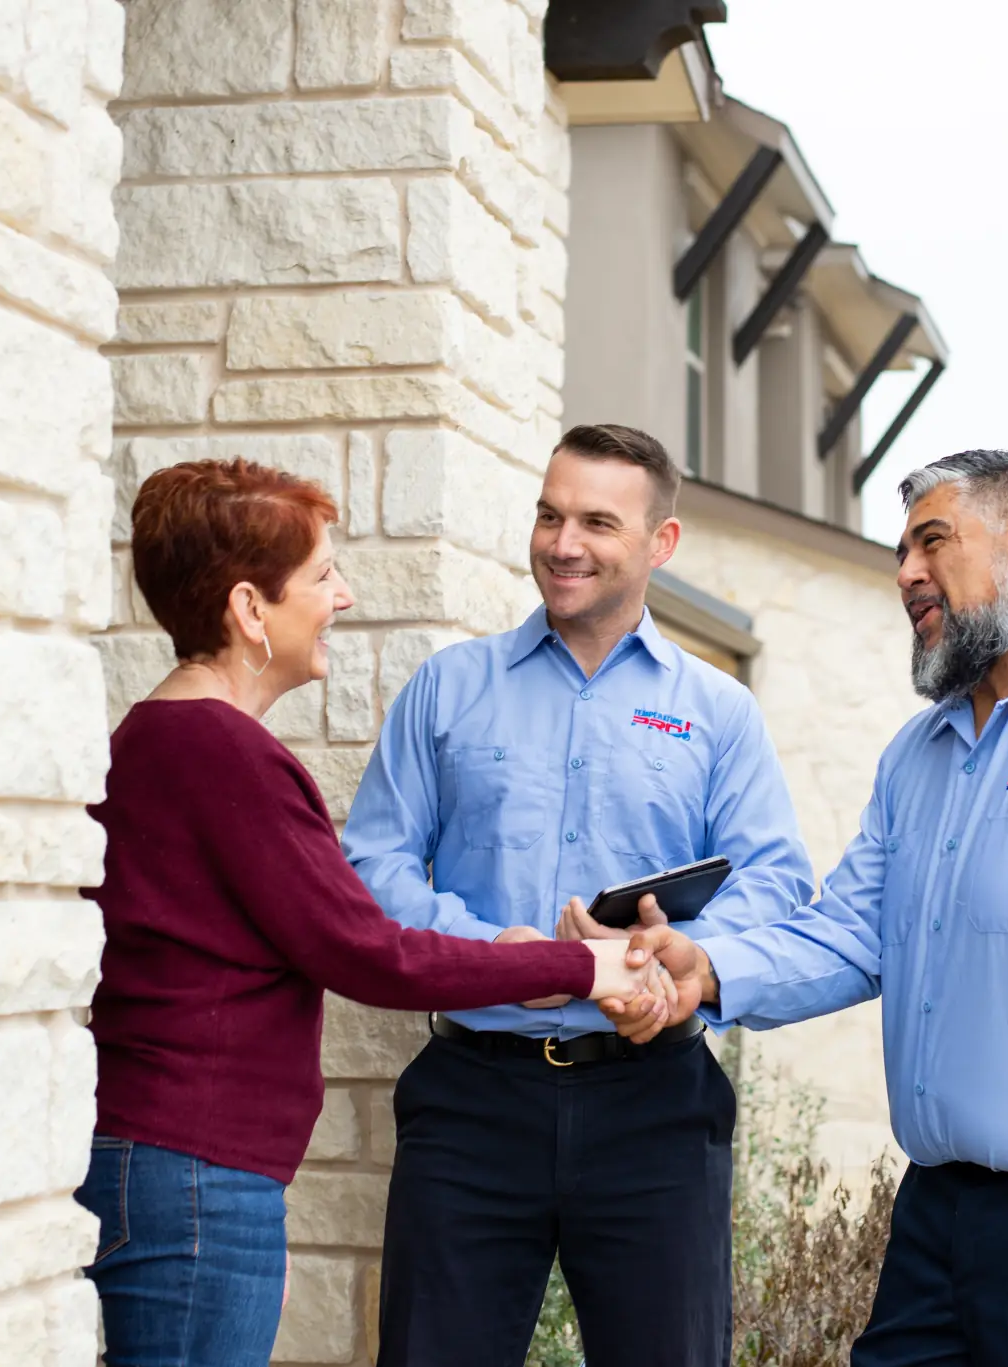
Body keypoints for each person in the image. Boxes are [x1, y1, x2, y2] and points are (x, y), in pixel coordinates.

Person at [616, 449, 1008, 1367]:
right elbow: (850, 931)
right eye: (900, 553)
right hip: (939, 1218)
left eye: (932, 541)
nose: (906, 574)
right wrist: (712, 968)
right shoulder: (916, 757)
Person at [75, 459, 668, 1367]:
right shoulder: (221, 754)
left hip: (167, 1162)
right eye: (320, 575)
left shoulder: (159, 737)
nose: (343, 596)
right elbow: (367, 951)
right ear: (247, 609)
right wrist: (580, 965)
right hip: (191, 1171)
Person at [341, 424, 815, 1367]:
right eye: (551, 515)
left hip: (656, 1107)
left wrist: (678, 970)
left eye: (598, 521)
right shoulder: (447, 689)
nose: (564, 543)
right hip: (472, 1100)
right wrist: (489, 952)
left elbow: (776, 885)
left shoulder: (718, 712)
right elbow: (372, 868)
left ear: (660, 543)